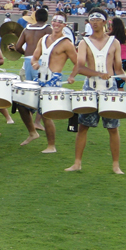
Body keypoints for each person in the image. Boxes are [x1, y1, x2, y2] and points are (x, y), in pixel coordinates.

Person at [65, 8, 126, 175]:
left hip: (109, 89)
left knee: (113, 128)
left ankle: (116, 165)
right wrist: (98, 74)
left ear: (105, 22)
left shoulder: (115, 42)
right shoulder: (84, 43)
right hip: (90, 87)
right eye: (92, 19)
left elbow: (118, 69)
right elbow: (80, 66)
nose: (94, 22)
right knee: (83, 127)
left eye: (98, 19)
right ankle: (77, 163)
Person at [28, 13, 78, 154]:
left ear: (64, 25)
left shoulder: (67, 43)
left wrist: (72, 76)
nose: (56, 24)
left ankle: (51, 145)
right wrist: (35, 63)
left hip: (53, 79)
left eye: (59, 22)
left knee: (46, 114)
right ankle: (33, 133)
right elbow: (34, 57)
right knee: (27, 106)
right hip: (40, 78)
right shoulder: (43, 39)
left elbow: (78, 63)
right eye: (54, 21)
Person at [11, 7, 51, 137]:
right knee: (42, 90)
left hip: (28, 61)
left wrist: (27, 54)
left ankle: (29, 120)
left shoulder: (27, 29)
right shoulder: (47, 29)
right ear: (46, 18)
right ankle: (37, 121)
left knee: (29, 90)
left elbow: (17, 47)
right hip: (40, 62)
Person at [109, 18, 126, 89]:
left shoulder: (108, 36)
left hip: (112, 61)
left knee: (110, 84)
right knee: (120, 85)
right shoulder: (125, 36)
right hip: (122, 60)